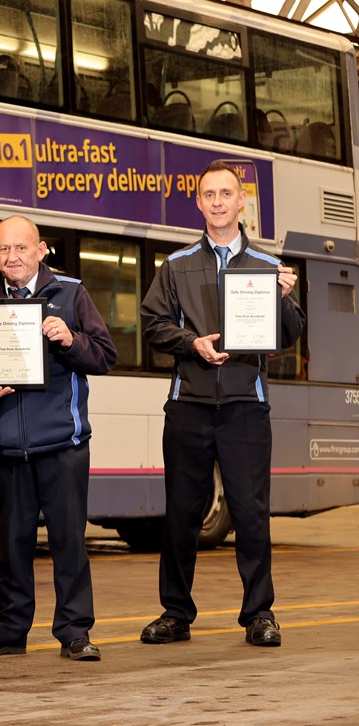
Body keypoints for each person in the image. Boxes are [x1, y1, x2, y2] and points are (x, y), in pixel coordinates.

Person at [139, 160, 304, 648]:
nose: (216, 201)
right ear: (199, 202)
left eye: (225, 193)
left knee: (251, 513)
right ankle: (175, 613)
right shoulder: (174, 266)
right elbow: (152, 326)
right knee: (182, 513)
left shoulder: (272, 269)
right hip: (188, 404)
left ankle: (260, 613)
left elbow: (290, 335)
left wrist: (286, 300)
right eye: (208, 193)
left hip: (244, 407)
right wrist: (193, 344)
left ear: (240, 202)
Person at [0, 215, 117, 662]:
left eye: (21, 248)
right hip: (6, 445)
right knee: (13, 543)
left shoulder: (71, 293)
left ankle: (75, 631)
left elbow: (104, 357)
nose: (12, 257)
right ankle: (9, 629)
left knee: (68, 542)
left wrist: (71, 339)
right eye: (3, 249)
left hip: (63, 443)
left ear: (41, 250)